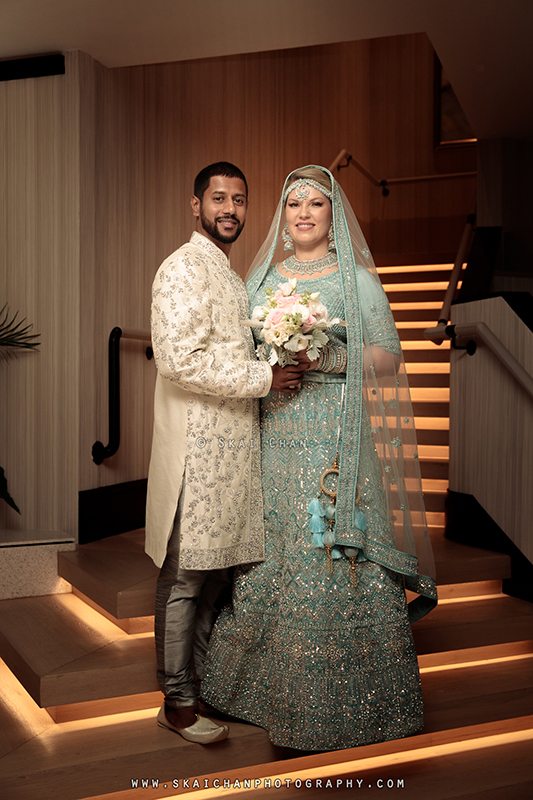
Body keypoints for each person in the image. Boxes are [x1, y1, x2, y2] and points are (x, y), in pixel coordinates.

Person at [201, 165, 438, 752]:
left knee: (329, 548)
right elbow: (240, 351)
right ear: (282, 217)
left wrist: (328, 355)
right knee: (279, 546)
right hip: (276, 432)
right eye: (293, 204)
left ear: (334, 217)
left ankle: (343, 702)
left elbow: (387, 358)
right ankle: (266, 692)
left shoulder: (355, 278)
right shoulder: (260, 279)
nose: (304, 212)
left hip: (336, 433)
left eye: (316, 204)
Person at [145, 162, 306, 744]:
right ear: (196, 205)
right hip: (197, 449)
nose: (230, 209)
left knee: (216, 577)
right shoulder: (183, 268)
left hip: (234, 449)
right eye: (219, 198)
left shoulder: (232, 277)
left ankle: (207, 686)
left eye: (239, 199)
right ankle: (176, 701)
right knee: (186, 576)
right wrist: (265, 377)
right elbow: (180, 361)